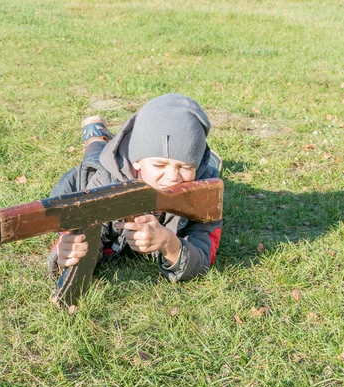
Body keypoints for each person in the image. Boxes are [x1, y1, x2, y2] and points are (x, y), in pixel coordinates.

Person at [47, 93, 223, 283]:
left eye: (185, 166)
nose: (173, 177)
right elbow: (85, 234)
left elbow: (203, 254)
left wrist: (168, 243)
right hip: (95, 172)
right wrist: (68, 256)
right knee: (95, 154)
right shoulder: (104, 180)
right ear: (136, 161)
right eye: (159, 165)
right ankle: (97, 136)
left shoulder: (207, 190)